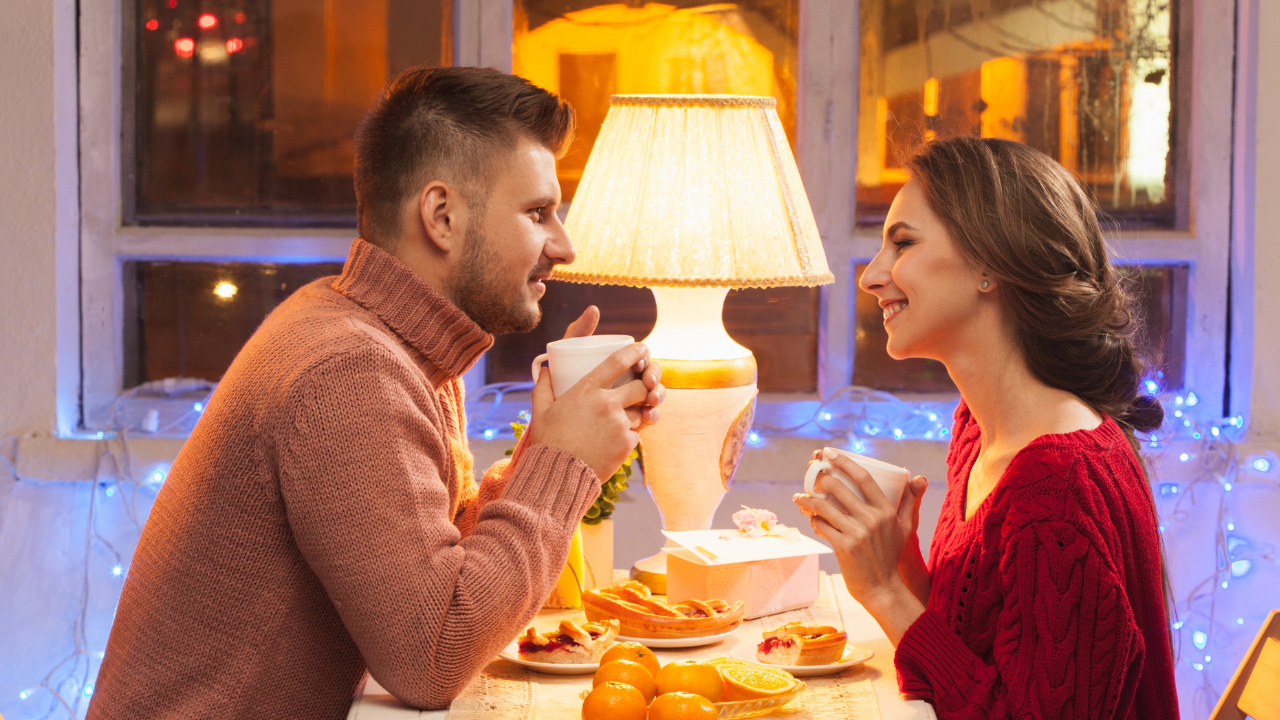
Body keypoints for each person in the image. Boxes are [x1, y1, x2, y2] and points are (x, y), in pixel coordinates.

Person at [88, 66, 664, 719]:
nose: (564, 244)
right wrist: (565, 467)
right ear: (441, 215)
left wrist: (544, 449)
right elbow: (431, 658)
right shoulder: (351, 371)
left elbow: (429, 580)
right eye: (538, 213)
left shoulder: (371, 334)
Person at [795, 137, 1178, 718]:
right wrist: (902, 566)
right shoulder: (981, 428)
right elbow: (982, 662)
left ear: (990, 265)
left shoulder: (1056, 486)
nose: (872, 276)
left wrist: (884, 593)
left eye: (902, 243)